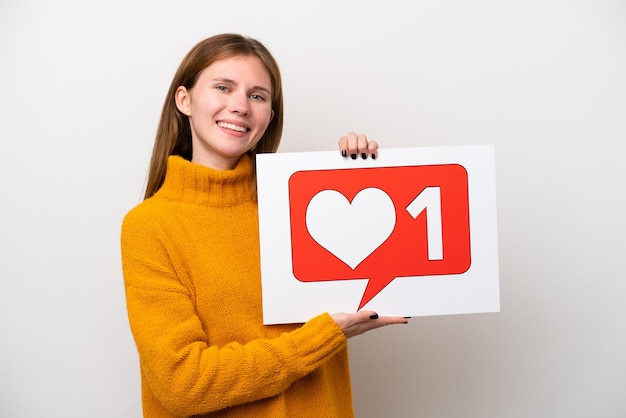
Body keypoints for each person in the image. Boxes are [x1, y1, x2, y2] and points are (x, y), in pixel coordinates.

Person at [120, 33, 408, 418]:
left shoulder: (303, 208)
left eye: (257, 96)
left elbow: (381, 271)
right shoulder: (150, 226)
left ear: (269, 116)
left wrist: (364, 179)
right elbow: (181, 383)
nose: (240, 106)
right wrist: (318, 340)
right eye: (223, 87)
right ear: (184, 99)